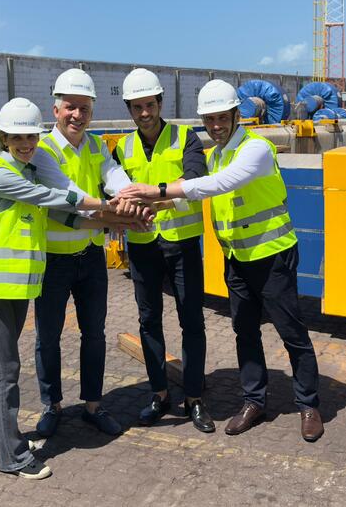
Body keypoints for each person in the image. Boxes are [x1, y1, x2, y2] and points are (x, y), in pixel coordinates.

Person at [118, 79, 324, 443]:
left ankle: (309, 405)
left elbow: (217, 185)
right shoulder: (217, 154)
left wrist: (158, 190)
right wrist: (149, 205)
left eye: (221, 118)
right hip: (236, 258)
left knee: (292, 333)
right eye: (209, 119)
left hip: (271, 255)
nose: (215, 125)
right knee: (245, 332)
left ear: (236, 115)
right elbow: (192, 194)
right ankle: (254, 401)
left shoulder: (255, 150)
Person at [0, 97, 146, 480]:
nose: (27, 144)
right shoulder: (4, 174)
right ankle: (12, 456)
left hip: (13, 287)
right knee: (6, 370)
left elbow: (66, 216)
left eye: (30, 137)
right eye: (18, 138)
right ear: (4, 137)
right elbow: (55, 197)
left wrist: (120, 221)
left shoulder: (28, 169)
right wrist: (108, 205)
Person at [34, 68, 139, 439]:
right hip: (53, 261)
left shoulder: (95, 145)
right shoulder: (42, 150)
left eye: (85, 108)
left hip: (91, 259)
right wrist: (114, 214)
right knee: (47, 336)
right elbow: (68, 199)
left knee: (94, 333)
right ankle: (52, 406)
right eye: (71, 108)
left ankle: (93, 405)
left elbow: (115, 175)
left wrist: (129, 199)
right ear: (56, 109)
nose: (78, 115)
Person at [113, 68, 214, 433]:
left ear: (160, 103)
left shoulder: (187, 138)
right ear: (129, 108)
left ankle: (194, 398)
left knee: (192, 322)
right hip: (142, 247)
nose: (144, 113)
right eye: (137, 107)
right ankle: (159, 393)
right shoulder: (121, 148)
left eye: (149, 105)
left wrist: (152, 194)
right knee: (148, 322)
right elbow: (116, 194)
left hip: (183, 244)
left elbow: (194, 183)